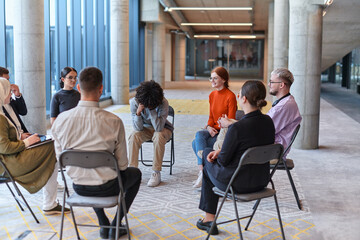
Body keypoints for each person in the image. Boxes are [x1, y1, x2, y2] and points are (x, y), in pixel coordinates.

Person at [51, 67, 141, 239]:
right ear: (101, 89)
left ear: (78, 88)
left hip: (78, 186)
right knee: (135, 174)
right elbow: (122, 165)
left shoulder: (61, 121)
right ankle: (115, 225)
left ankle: (103, 222)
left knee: (88, 172)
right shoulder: (114, 121)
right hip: (108, 186)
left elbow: (60, 159)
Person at [196, 80, 275, 235]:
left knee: (206, 155)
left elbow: (224, 161)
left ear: (243, 99)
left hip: (237, 183)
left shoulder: (237, 128)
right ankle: (208, 219)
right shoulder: (268, 122)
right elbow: (252, 148)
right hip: (261, 180)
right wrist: (221, 151)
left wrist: (217, 153)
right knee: (212, 155)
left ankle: (209, 219)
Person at [0, 77, 69, 215]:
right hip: (11, 162)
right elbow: (4, 147)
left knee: (51, 148)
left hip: (12, 157)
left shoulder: (2, 111)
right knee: (52, 152)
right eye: (8, 91)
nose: (10, 94)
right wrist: (27, 142)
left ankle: (50, 202)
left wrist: (21, 137)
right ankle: (49, 203)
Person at [219, 68, 302, 159]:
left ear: (281, 85)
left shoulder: (283, 106)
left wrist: (231, 123)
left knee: (224, 136)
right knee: (237, 115)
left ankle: (220, 153)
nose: (269, 85)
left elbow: (260, 130)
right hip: (269, 144)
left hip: (269, 149)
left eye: (272, 82)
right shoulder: (287, 101)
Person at [192, 66, 237, 188]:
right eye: (211, 78)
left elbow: (231, 121)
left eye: (215, 78)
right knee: (199, 135)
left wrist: (219, 127)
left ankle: (203, 173)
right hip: (213, 131)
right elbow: (211, 118)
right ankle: (203, 172)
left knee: (195, 143)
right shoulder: (212, 95)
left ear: (223, 79)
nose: (212, 81)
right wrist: (208, 128)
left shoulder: (230, 96)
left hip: (223, 133)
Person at [128, 80, 173, 187]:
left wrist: (151, 109)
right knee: (133, 135)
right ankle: (132, 171)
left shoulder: (163, 102)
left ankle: (156, 172)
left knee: (158, 135)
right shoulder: (135, 102)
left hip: (163, 129)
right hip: (146, 129)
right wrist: (138, 113)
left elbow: (158, 128)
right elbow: (138, 128)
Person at [0, 67, 29, 135]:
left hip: (24, 134)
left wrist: (17, 95)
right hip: (15, 139)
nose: (9, 83)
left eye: (8, 80)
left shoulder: (8, 97)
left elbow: (23, 112)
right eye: (6, 80)